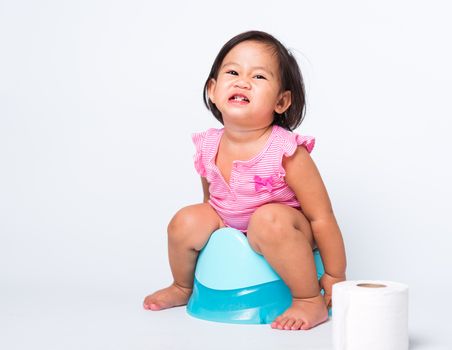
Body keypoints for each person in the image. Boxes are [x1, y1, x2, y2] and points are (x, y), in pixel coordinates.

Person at [143, 30, 346, 331]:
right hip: (234, 227)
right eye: (233, 72)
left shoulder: (287, 151)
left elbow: (321, 217)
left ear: (281, 101)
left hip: (287, 231)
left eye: (259, 77)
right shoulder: (208, 146)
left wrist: (334, 275)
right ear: (213, 90)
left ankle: (307, 300)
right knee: (185, 221)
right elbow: (210, 201)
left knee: (268, 219)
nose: (242, 81)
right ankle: (183, 286)